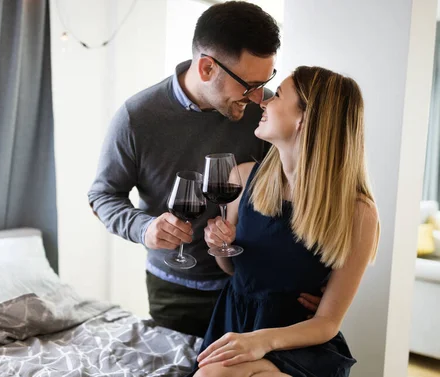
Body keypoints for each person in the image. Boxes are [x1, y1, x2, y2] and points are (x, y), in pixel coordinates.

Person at [87, 1, 320, 338]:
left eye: (265, 81)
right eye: (249, 84)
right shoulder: (137, 117)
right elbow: (102, 195)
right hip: (176, 290)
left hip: (256, 288)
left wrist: (319, 278)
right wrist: (144, 228)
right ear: (207, 68)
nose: (258, 97)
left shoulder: (267, 112)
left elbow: (307, 189)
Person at [192, 66, 380, 377]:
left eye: (277, 95)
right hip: (237, 324)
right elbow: (236, 271)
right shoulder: (242, 177)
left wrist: (261, 341)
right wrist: (222, 246)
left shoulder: (358, 212)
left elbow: (328, 322)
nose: (263, 102)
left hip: (298, 344)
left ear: (303, 119)